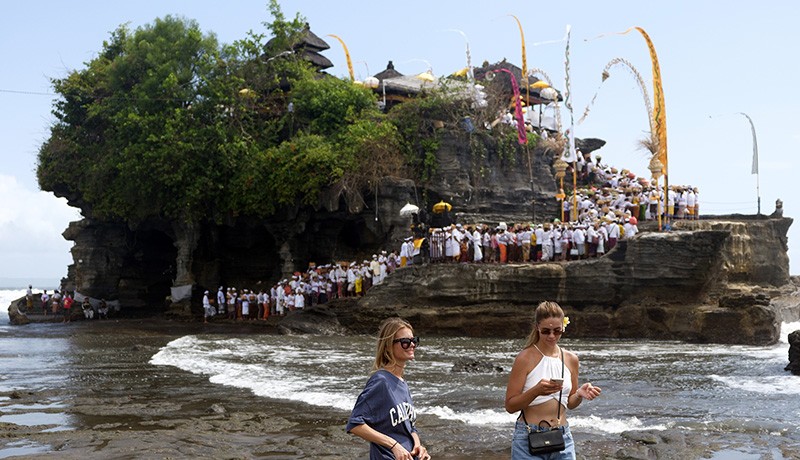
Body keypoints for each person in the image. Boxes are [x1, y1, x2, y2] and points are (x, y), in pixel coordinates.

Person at [504, 301, 602, 459]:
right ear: (537, 328)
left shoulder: (571, 359)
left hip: (562, 436)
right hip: (528, 436)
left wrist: (579, 394)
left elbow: (570, 403)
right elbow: (510, 405)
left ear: (563, 327)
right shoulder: (525, 358)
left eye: (557, 331)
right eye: (546, 331)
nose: (551, 336)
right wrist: (536, 391)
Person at [346, 317, 431, 460]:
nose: (412, 345)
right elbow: (355, 424)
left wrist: (418, 446)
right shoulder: (381, 381)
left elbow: (409, 427)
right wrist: (394, 445)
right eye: (405, 342)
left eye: (414, 340)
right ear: (388, 346)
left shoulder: (402, 383)